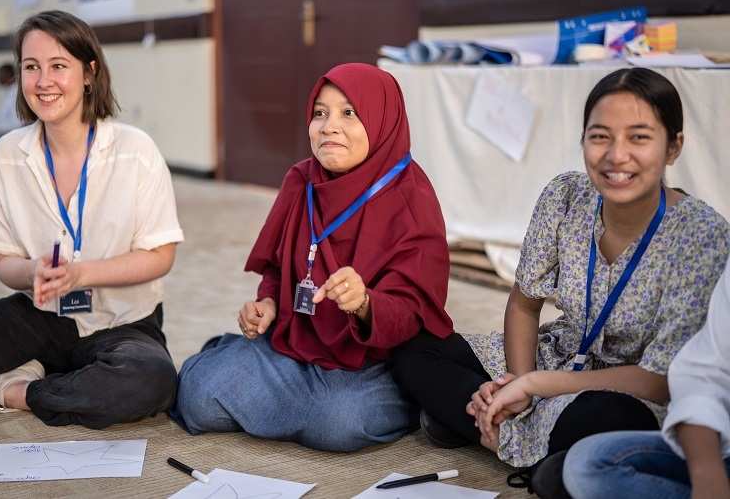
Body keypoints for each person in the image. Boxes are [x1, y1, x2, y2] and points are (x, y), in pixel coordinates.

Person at [392, 67, 730, 497]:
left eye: (639, 137)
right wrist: (518, 382)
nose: (616, 155)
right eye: (600, 136)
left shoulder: (701, 235)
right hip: (558, 357)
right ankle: (512, 430)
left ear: (673, 147)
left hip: (630, 392)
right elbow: (524, 303)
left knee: (609, 421)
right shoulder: (565, 196)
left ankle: (481, 425)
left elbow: (663, 380)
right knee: (417, 349)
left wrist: (535, 387)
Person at [171, 62, 453, 452]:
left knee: (338, 424)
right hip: (294, 342)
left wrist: (366, 303)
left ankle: (380, 404)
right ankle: (245, 365)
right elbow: (277, 265)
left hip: (370, 363)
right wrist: (268, 302)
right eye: (320, 113)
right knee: (197, 396)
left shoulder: (411, 195)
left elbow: (416, 308)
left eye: (349, 113)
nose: (329, 126)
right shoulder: (301, 180)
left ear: (383, 118)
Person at [0, 10, 183, 429]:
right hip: (39, 317)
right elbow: (4, 264)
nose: (43, 81)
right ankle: (39, 366)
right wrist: (33, 271)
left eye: (58, 66)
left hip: (124, 323)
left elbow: (160, 256)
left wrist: (82, 274)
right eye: (32, 67)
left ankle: (15, 390)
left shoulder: (136, 150)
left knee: (151, 381)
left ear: (89, 72)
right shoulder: (7, 156)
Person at [563, 256, 730, 499]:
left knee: (593, 418)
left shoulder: (702, 233)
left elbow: (654, 383)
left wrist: (535, 385)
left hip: (638, 395)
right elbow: (705, 376)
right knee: (587, 464)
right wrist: (706, 472)